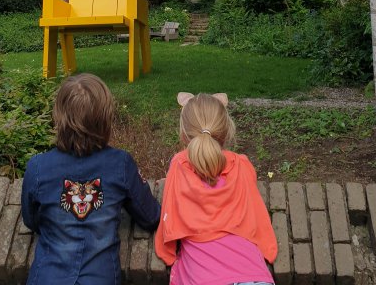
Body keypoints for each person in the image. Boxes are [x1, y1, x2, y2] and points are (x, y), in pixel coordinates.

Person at [21, 73, 161, 285]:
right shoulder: (120, 164)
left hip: (47, 277)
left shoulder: (38, 167)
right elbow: (150, 217)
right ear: (105, 118)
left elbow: (31, 220)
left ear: (58, 116)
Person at [155, 92, 277, 285]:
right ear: (227, 131)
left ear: (183, 135)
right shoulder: (241, 165)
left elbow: (169, 216)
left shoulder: (180, 164)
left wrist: (168, 253)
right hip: (254, 276)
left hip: (203, 278)